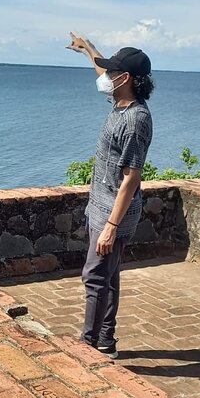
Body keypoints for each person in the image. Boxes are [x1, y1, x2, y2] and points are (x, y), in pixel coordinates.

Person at [67, 32, 154, 359]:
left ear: (126, 78)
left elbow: (132, 177)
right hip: (101, 206)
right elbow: (102, 73)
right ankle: (106, 341)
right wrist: (86, 47)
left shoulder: (134, 120)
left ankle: (88, 347)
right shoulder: (121, 102)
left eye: (112, 73)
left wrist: (111, 225)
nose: (105, 77)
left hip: (113, 214)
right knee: (108, 276)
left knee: (94, 277)